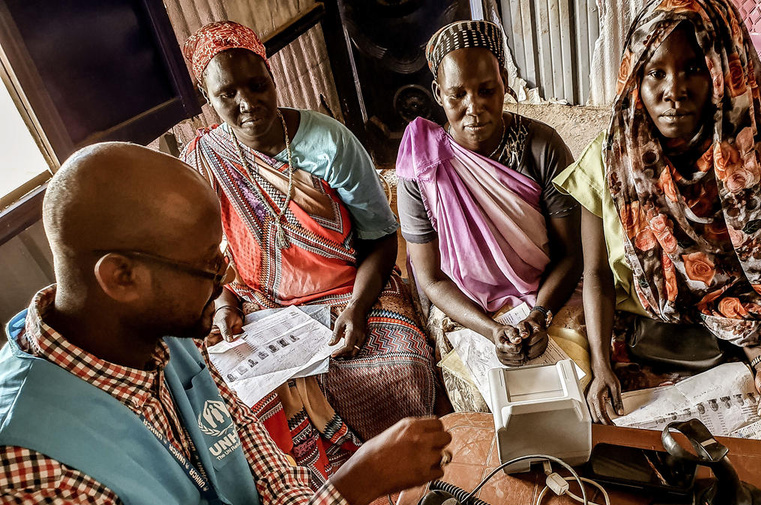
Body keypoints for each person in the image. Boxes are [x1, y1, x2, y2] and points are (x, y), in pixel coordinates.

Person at [0, 143, 452, 505]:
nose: (229, 276)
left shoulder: (160, 338)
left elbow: (264, 469)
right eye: (207, 265)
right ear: (122, 277)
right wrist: (353, 487)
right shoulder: (34, 467)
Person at [178, 21, 436, 474]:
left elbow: (379, 238)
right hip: (260, 304)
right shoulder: (203, 159)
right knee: (221, 391)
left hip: (351, 289)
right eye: (227, 95)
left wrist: (358, 307)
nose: (247, 104)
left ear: (273, 79)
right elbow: (204, 256)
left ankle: (401, 471)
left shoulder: (331, 143)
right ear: (208, 99)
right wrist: (223, 303)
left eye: (258, 86)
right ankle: (311, 485)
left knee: (403, 366)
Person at [553, 0, 761, 436]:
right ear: (634, 77)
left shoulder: (748, 158)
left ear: (724, 71)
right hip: (639, 328)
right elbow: (596, 275)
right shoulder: (610, 161)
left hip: (729, 331)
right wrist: (601, 366)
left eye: (694, 68)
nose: (674, 90)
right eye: (655, 73)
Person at [396, 20, 589, 411]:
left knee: (571, 391)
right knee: (489, 408)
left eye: (487, 90)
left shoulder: (540, 145)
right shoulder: (422, 165)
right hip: (468, 310)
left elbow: (572, 254)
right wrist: (491, 331)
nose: (474, 108)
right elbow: (431, 278)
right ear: (437, 93)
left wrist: (539, 317)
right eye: (457, 95)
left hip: (547, 295)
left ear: (504, 81)